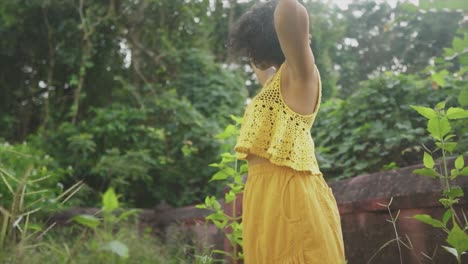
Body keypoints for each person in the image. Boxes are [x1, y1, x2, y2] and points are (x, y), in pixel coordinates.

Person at [226, 0, 346, 263]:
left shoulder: (301, 75)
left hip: (290, 191)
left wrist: (296, 32)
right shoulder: (274, 82)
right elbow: (258, 61)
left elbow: (289, 11)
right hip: (261, 194)